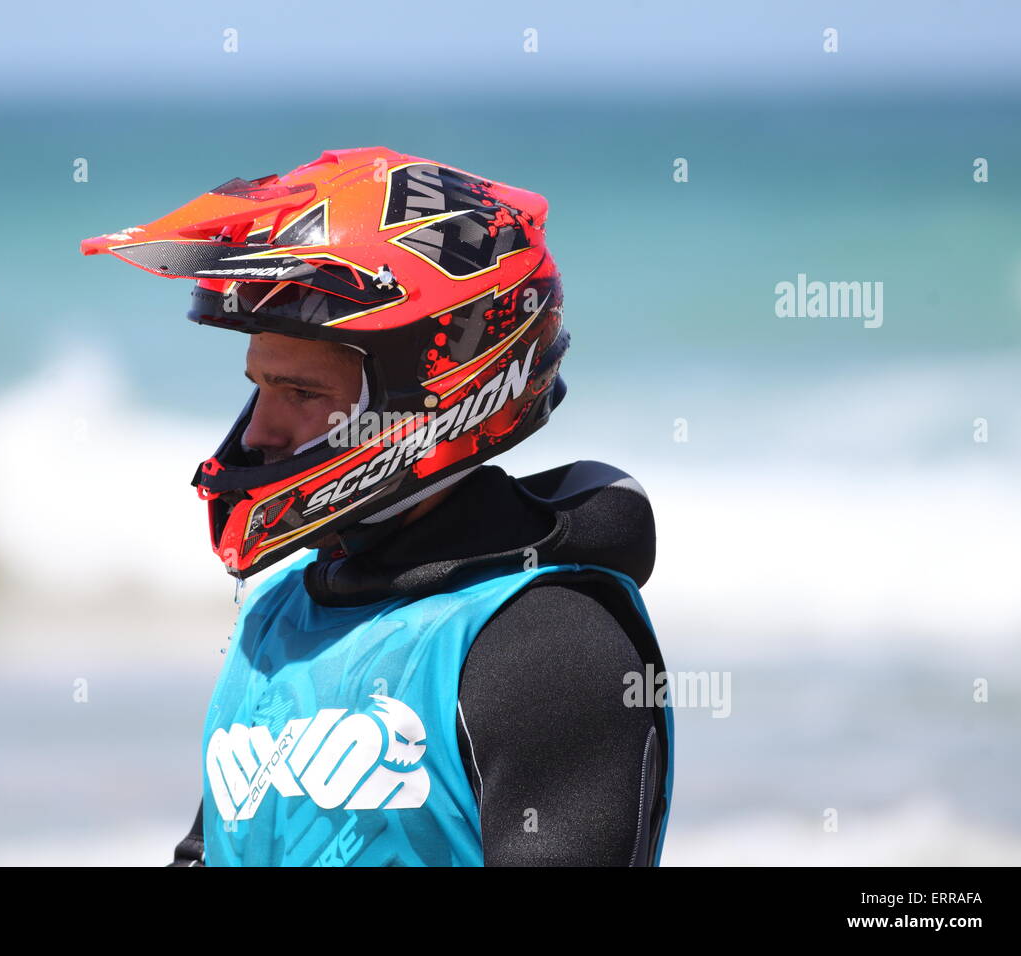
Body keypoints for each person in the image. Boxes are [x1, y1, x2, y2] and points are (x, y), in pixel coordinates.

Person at [81, 146, 674, 866]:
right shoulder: (277, 617)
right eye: (260, 387)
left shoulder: (547, 645)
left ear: (437, 393)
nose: (261, 431)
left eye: (301, 394)